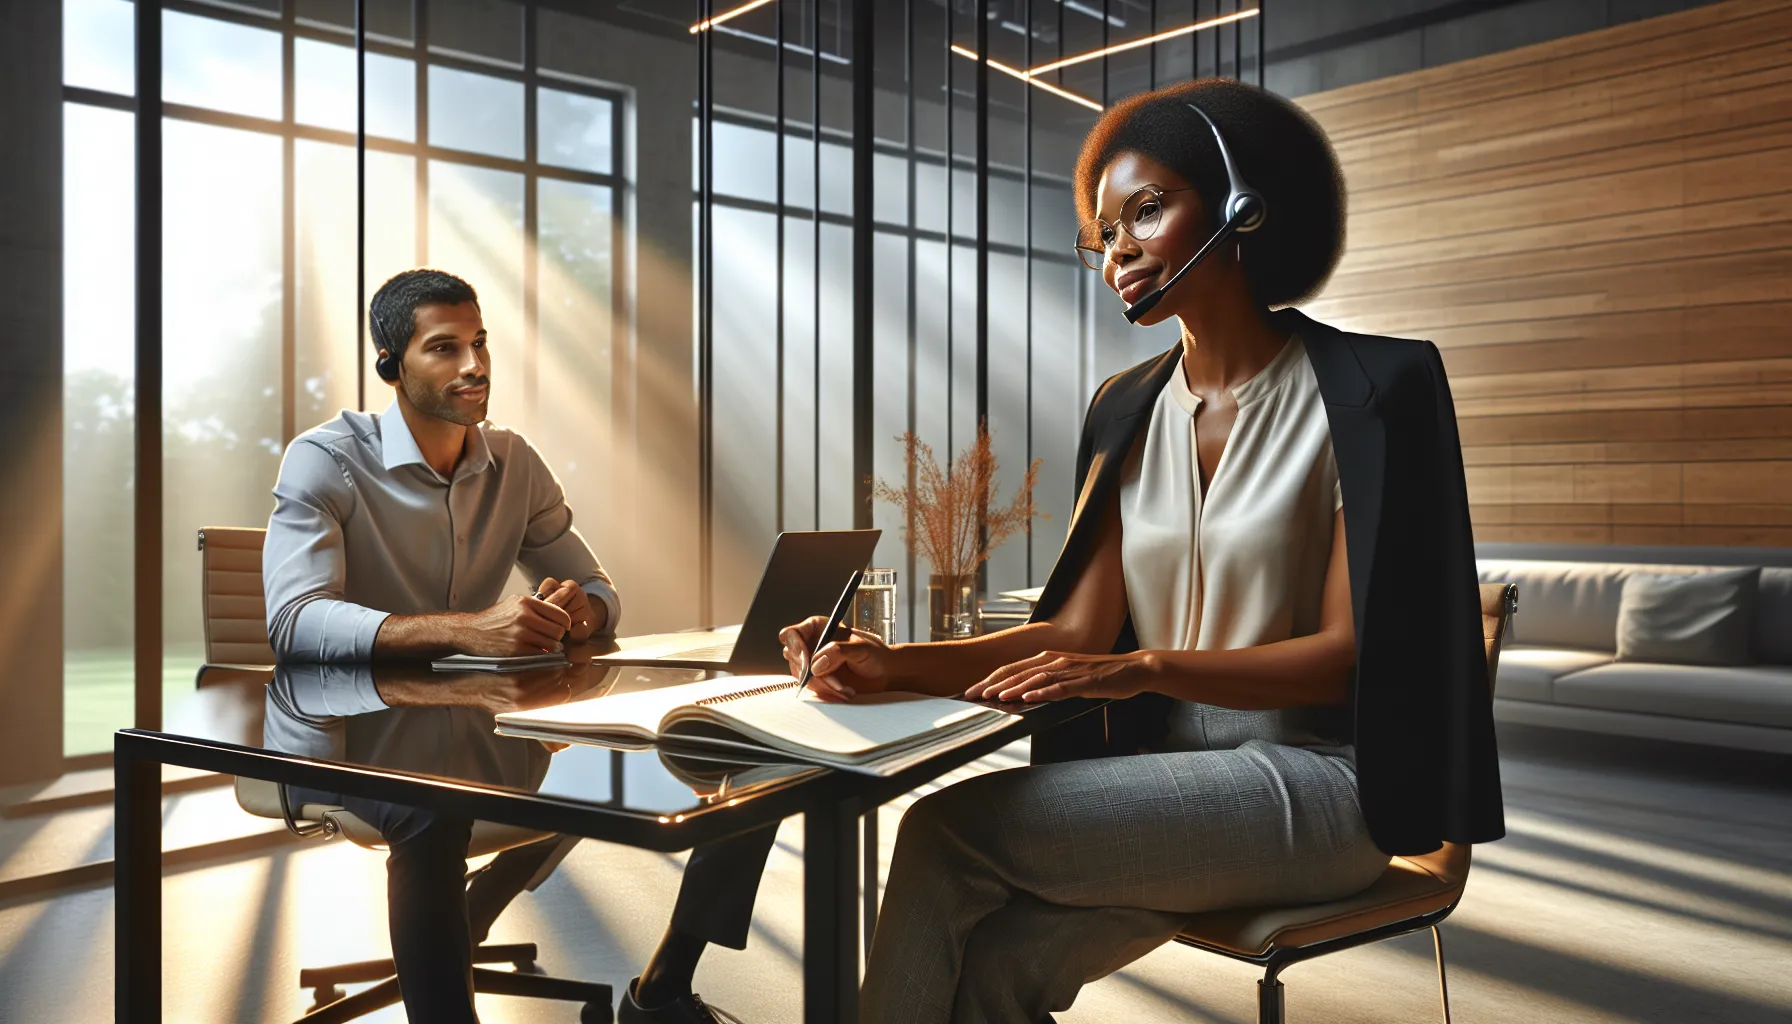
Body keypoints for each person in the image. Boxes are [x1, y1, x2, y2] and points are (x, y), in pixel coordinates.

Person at [781, 78, 1504, 1023]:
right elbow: (1073, 631)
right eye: (1103, 233)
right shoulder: (1126, 406)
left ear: (1243, 203)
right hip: (1175, 790)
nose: (1117, 250)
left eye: (1147, 212)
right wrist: (891, 667)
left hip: (1329, 787)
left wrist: (1146, 668)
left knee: (945, 832)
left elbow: (1343, 654)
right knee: (994, 969)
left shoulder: (1378, 388)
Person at [264, 268, 770, 1024]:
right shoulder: (326, 458)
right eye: (444, 348)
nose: (474, 365)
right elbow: (295, 625)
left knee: (750, 762)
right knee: (434, 809)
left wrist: (578, 614)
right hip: (349, 743)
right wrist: (472, 629)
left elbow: (598, 588)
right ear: (391, 365)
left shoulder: (513, 461)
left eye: (479, 343)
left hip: (482, 726)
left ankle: (661, 988)